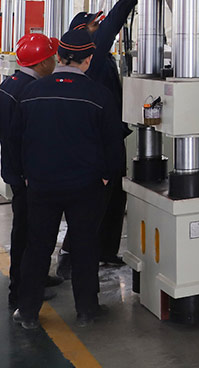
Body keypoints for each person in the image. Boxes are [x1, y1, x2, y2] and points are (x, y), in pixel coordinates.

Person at [10, 28, 124, 329]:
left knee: (37, 246)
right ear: (88, 61)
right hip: (85, 187)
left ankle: (28, 312)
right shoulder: (99, 95)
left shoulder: (31, 92)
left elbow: (16, 139)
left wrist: (23, 176)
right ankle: (87, 310)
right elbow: (114, 144)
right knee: (85, 246)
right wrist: (105, 177)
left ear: (58, 57)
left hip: (41, 185)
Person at [58, 0, 136, 278]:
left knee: (115, 197)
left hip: (113, 133)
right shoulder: (91, 54)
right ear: (82, 32)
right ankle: (69, 257)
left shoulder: (101, 58)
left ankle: (106, 251)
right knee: (93, 202)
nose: (98, 26)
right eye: (93, 24)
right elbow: (111, 27)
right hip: (97, 139)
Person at [0, 34, 60, 308]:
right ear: (42, 63)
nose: (56, 61)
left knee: (29, 230)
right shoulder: (29, 91)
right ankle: (21, 290)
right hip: (27, 176)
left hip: (16, 171)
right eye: (52, 57)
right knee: (28, 232)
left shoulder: (11, 83)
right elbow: (25, 138)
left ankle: (35, 278)